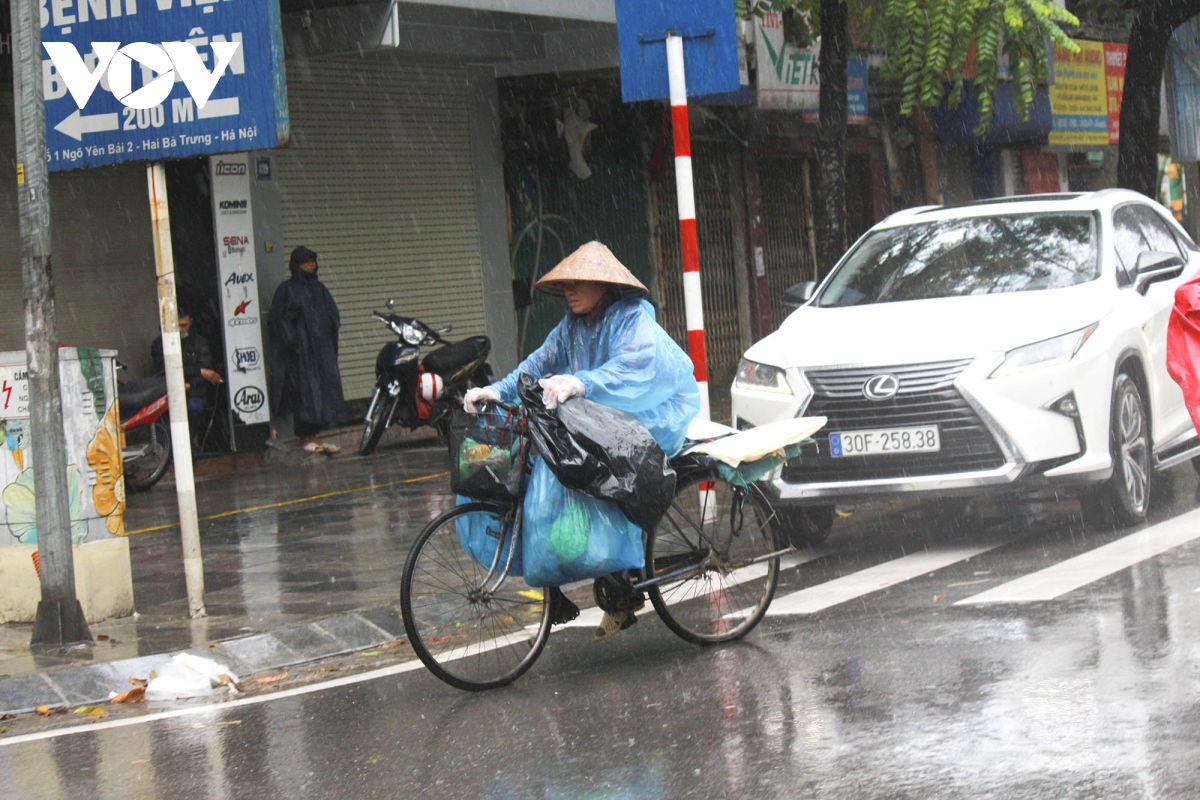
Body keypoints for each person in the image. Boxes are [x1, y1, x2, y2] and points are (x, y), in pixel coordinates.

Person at [464, 241, 701, 640]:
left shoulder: (631, 319)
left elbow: (636, 371)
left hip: (653, 414)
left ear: (603, 286)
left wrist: (581, 381)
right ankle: (589, 579)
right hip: (601, 413)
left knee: (602, 470)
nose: (570, 291)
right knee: (550, 458)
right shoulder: (571, 325)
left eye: (579, 284)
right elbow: (537, 364)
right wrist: (498, 391)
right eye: (567, 285)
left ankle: (621, 579)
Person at [269, 246, 346, 453]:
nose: (310, 265)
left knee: (321, 392)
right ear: (296, 264)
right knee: (304, 394)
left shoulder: (319, 289)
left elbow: (332, 315)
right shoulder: (288, 290)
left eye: (313, 261)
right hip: (301, 354)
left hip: (320, 352)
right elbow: (281, 321)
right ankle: (304, 437)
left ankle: (315, 436)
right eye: (306, 261)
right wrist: (294, 344)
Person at [151, 306, 222, 449]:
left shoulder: (199, 342)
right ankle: (164, 450)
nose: (181, 330)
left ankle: (190, 439)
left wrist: (190, 383)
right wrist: (199, 371)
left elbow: (206, 373)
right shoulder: (159, 344)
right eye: (176, 326)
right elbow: (165, 370)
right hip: (168, 391)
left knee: (193, 407)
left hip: (194, 391)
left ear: (190, 322)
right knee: (159, 414)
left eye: (184, 325)